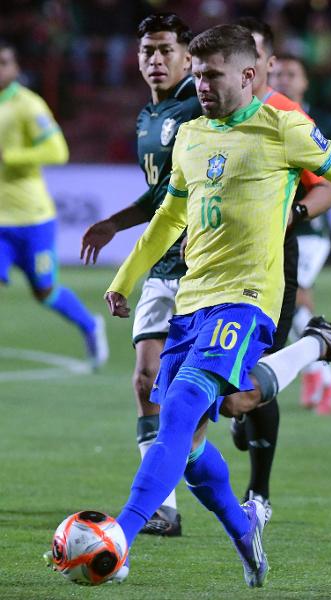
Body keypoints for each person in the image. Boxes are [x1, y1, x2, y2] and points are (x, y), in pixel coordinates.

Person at [100, 24, 331, 587]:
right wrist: (125, 278)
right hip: (192, 300)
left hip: (248, 299)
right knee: (192, 446)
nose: (200, 85)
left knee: (179, 409)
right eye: (197, 74)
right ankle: (243, 528)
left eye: (212, 75)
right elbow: (170, 216)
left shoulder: (284, 128)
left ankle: (118, 537)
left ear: (249, 74)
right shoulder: (192, 135)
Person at [81, 13, 202, 537]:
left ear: (188, 57)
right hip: (161, 265)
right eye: (147, 51)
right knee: (146, 380)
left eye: (165, 49)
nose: (155, 59)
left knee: (219, 400)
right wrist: (114, 223)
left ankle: (309, 349)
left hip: (204, 268)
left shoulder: (200, 106)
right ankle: (164, 507)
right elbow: (161, 197)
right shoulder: (148, 118)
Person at [226, 17, 331, 514]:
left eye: (251, 53)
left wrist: (292, 214)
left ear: (265, 63)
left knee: (250, 377)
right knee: (222, 385)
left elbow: (329, 187)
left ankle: (259, 492)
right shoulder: (206, 109)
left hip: (270, 264)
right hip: (213, 262)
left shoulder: (287, 116)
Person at [0, 41, 108, 370]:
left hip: (32, 219)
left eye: (3, 62)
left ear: (16, 68)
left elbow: (57, 151)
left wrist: (12, 157)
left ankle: (89, 325)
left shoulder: (28, 105)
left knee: (44, 291)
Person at [270, 53, 331, 414]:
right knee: (293, 302)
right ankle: (317, 374)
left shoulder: (322, 122)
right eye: (277, 73)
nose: (283, 79)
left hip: (309, 229)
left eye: (292, 74)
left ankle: (324, 372)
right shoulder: (265, 116)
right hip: (277, 229)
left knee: (291, 299)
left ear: (305, 82)